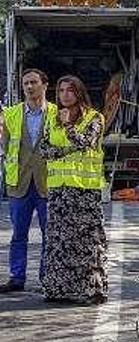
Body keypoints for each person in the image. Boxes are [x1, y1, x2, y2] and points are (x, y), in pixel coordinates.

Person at [40, 75, 108, 304]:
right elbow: (44, 150)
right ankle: (59, 289)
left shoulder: (94, 117)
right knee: (59, 242)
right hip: (60, 191)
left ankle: (91, 290)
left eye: (70, 90)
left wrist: (69, 126)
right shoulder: (52, 118)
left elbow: (86, 143)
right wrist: (67, 147)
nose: (65, 95)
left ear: (79, 93)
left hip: (85, 192)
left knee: (88, 242)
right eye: (61, 91)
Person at [0, 69, 57, 293]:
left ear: (45, 85)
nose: (29, 87)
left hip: (47, 183)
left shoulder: (55, 112)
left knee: (49, 234)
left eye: (34, 82)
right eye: (26, 84)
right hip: (19, 183)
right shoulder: (12, 114)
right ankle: (16, 277)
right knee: (18, 235)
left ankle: (46, 277)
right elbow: (5, 145)